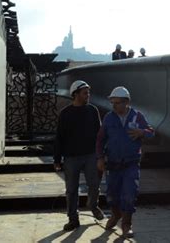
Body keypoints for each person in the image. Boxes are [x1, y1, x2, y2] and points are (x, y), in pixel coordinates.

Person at [96, 86, 155, 238]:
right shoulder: (109, 118)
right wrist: (100, 157)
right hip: (113, 164)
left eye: (117, 103)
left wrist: (143, 132)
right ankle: (116, 215)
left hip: (131, 163)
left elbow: (152, 132)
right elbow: (100, 139)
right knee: (112, 195)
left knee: (129, 194)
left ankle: (126, 224)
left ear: (126, 102)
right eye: (112, 103)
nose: (114, 106)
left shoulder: (137, 116)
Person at [54, 80, 105, 231]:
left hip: (91, 155)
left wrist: (101, 154)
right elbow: (59, 137)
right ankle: (73, 219)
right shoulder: (65, 114)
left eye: (88, 92)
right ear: (75, 94)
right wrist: (57, 159)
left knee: (94, 185)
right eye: (85, 93)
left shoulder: (93, 110)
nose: (88, 95)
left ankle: (93, 206)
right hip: (71, 158)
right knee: (71, 190)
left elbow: (100, 134)